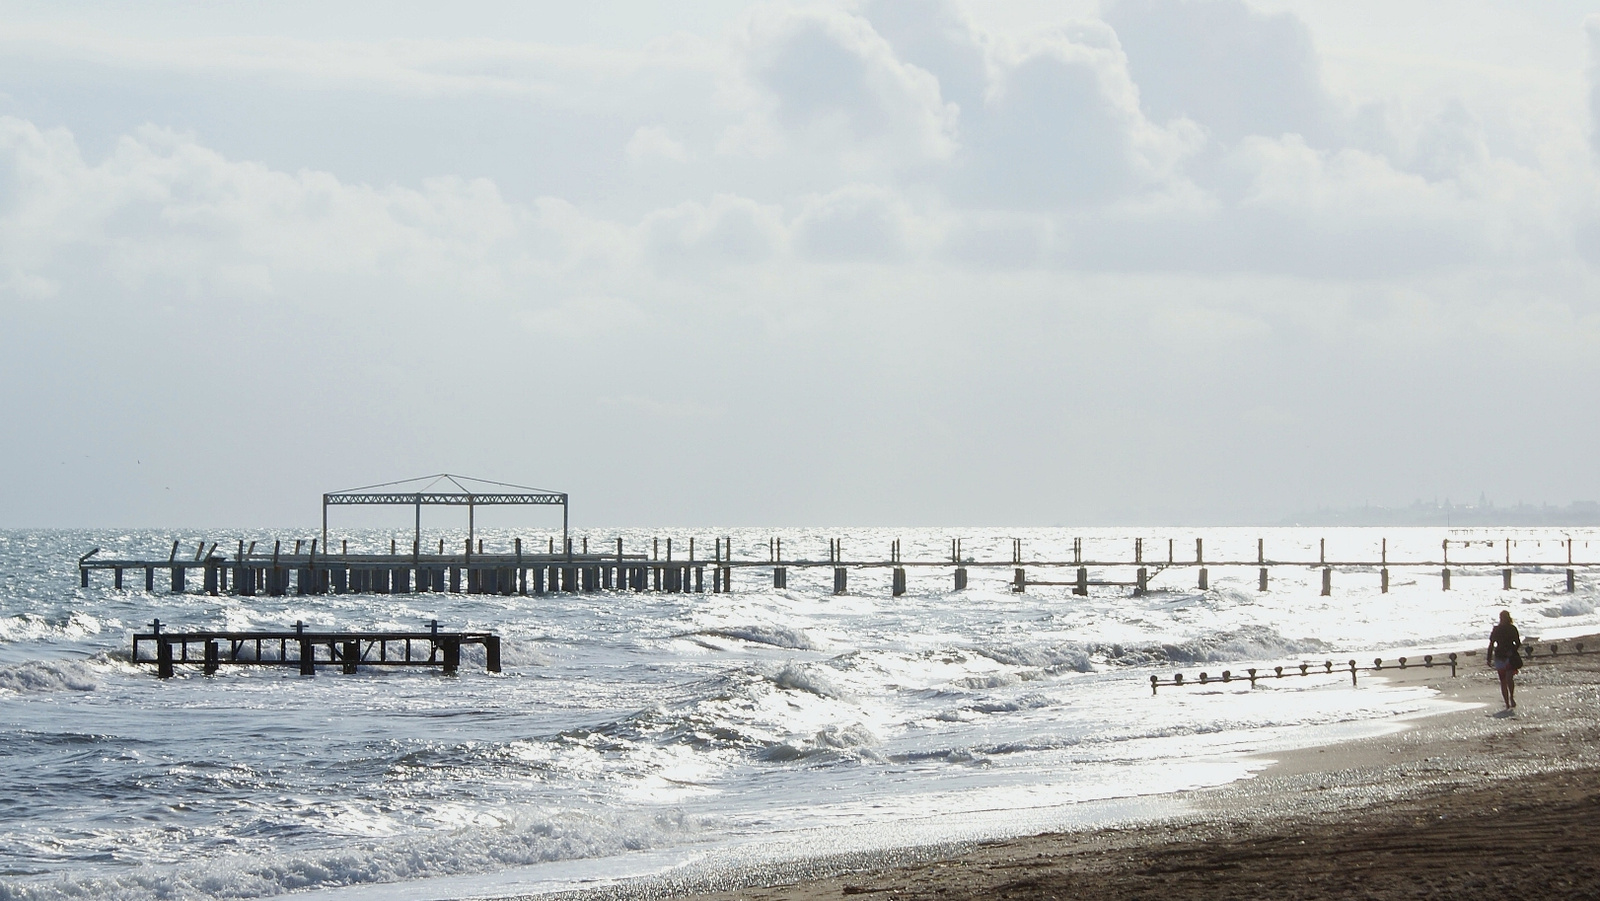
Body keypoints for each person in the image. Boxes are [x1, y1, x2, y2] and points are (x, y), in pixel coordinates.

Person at [1486, 609, 1522, 709]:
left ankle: (1511, 696)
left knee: (1509, 678)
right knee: (1503, 680)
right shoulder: (1496, 629)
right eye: (1501, 618)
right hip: (1499, 656)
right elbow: (1491, 644)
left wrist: (1513, 651)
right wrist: (1488, 658)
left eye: (1504, 617)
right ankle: (1506, 703)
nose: (1502, 619)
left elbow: (1518, 643)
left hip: (1510, 656)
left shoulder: (1512, 628)